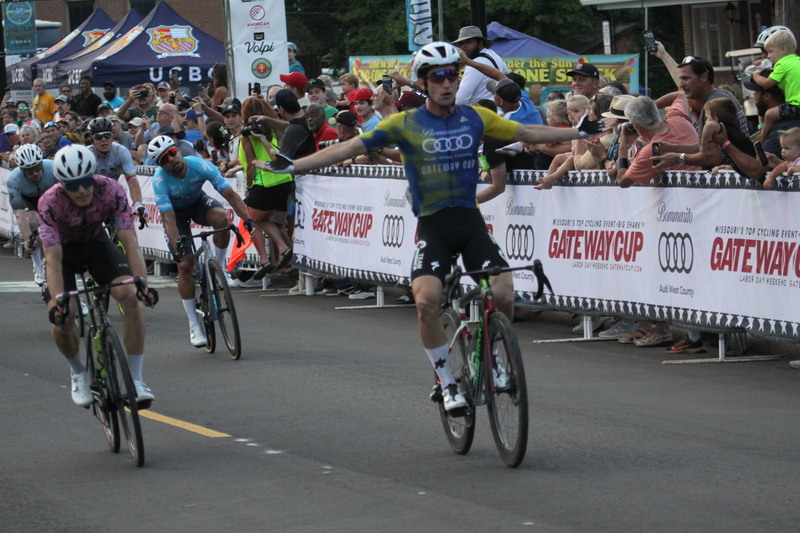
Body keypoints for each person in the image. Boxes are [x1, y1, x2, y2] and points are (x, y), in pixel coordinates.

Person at [260, 41, 601, 411]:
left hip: (470, 222)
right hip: (434, 227)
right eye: (438, 76)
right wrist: (294, 166)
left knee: (504, 293)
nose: (447, 82)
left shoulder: (476, 117)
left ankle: (499, 359)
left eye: (453, 74)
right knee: (426, 303)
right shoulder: (404, 123)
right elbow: (346, 148)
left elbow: (528, 134)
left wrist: (580, 134)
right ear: (423, 83)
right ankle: (446, 380)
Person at [39, 144, 157, 408]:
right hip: (63, 254)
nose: (81, 190)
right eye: (72, 185)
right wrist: (58, 302)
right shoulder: (49, 203)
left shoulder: (111, 190)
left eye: (85, 182)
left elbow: (129, 242)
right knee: (63, 315)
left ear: (93, 175)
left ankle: (136, 379)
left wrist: (143, 285)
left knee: (130, 296)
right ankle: (78, 372)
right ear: (61, 184)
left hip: (96, 245)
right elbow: (52, 260)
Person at [147, 135, 255, 347]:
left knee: (222, 218)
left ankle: (220, 266)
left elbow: (231, 195)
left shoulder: (200, 165)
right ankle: (194, 323)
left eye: (171, 153)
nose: (171, 160)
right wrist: (178, 246)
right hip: (176, 216)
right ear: (160, 165)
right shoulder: (159, 181)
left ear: (177, 149)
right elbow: (168, 220)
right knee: (185, 265)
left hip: (197, 204)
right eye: (163, 160)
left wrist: (247, 219)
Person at [238, 97, 295, 279]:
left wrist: (248, 186)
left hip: (264, 181)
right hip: (284, 179)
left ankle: (268, 258)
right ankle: (290, 256)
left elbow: (251, 163)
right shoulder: (273, 129)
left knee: (252, 221)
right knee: (274, 223)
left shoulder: (247, 134)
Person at [5, 144, 59, 284]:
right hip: (28, 200)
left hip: (51, 196)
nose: (35, 173)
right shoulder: (13, 180)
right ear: (21, 170)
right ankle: (38, 264)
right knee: (32, 221)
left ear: (42, 163)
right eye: (29, 171)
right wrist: (28, 241)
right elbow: (19, 214)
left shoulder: (53, 168)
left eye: (36, 168)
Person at [86, 117, 146, 220]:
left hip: (112, 193)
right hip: (91, 194)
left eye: (107, 135)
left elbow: (133, 182)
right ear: (92, 140)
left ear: (112, 137)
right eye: (98, 137)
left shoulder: (121, 152)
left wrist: (138, 204)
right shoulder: (86, 155)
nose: (103, 140)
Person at [752, 30, 800, 143]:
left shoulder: (782, 64)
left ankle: (762, 140)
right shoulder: (796, 60)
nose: (769, 56)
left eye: (770, 52)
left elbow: (767, 83)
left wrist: (755, 74)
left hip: (796, 105)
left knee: (769, 114)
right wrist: (763, 63)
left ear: (783, 49)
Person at [452, 26, 509, 105]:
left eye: (468, 42)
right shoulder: (493, 54)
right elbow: (507, 74)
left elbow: (459, 101)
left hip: (482, 114)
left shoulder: (473, 65)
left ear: (480, 43)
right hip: (498, 110)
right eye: (461, 43)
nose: (463, 46)